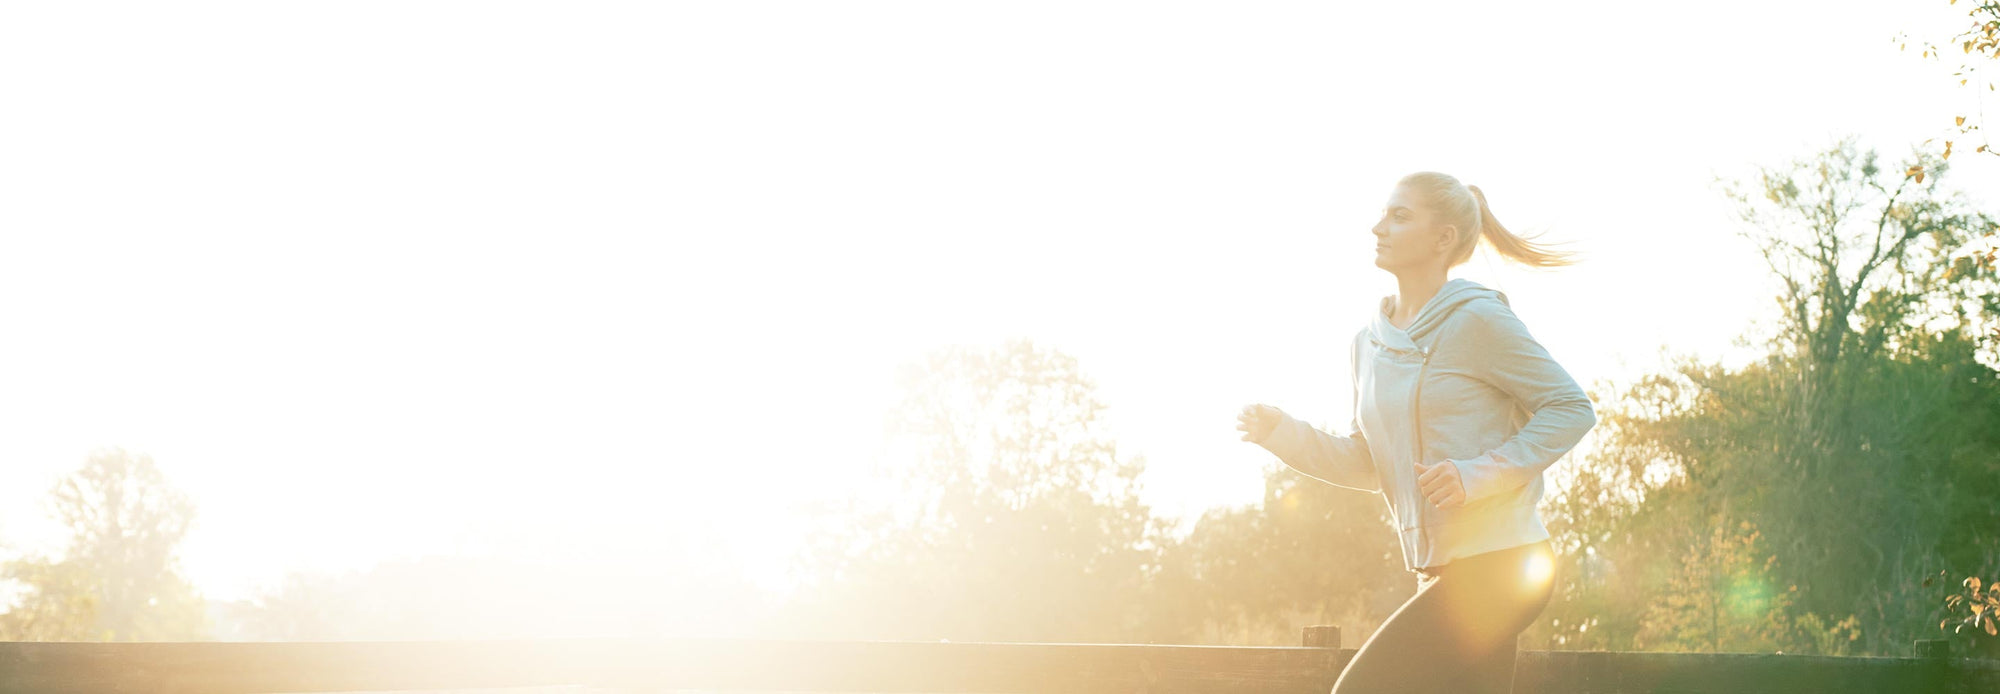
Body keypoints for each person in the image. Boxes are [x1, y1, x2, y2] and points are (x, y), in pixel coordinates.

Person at [1235, 171, 1597, 694]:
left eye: (1400, 216)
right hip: (1439, 570)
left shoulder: (1476, 320)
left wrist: (1477, 475)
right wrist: (1285, 435)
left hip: (1504, 562)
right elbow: (1369, 464)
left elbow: (1570, 407)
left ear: (1443, 238)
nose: (1378, 226)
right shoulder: (1367, 346)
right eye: (1384, 214)